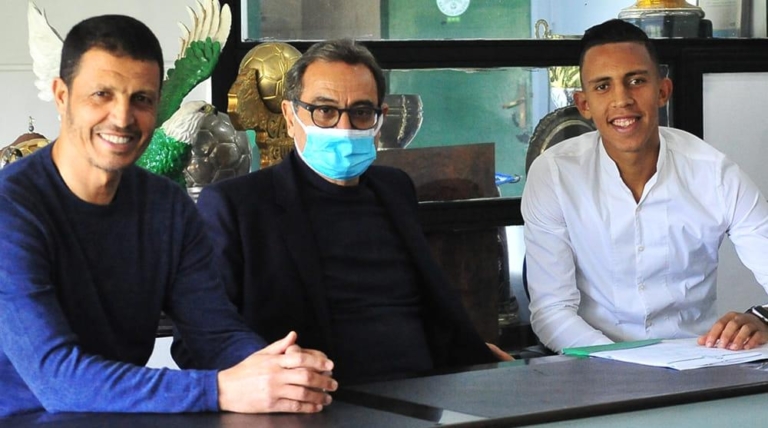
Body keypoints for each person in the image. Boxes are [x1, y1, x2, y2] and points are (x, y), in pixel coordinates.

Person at [0, 15, 337, 418]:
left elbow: (214, 333)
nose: (122, 118)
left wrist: (276, 371)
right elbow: (58, 382)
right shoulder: (11, 208)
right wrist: (219, 388)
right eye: (101, 95)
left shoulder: (167, 205)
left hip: (119, 418)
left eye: (142, 99)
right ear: (61, 95)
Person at [173, 38, 509, 383]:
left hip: (428, 390)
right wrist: (270, 371)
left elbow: (427, 307)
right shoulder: (236, 206)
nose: (344, 128)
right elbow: (197, 340)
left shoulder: (395, 189)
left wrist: (474, 356)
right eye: (325, 111)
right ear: (290, 116)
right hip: (318, 398)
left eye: (361, 113)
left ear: (380, 120)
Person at [522, 19, 768, 354]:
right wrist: (620, 363)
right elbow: (551, 311)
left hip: (696, 361)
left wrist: (762, 319)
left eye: (636, 81)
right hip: (591, 362)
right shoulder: (554, 175)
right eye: (603, 86)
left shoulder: (715, 174)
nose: (622, 100)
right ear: (584, 104)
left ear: (663, 91)